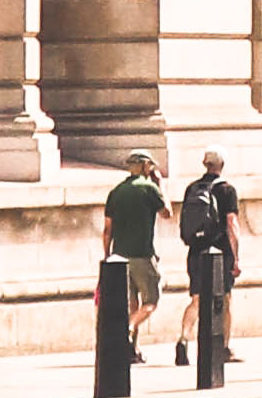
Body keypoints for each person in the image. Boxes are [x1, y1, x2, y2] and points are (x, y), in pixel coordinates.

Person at [176, 148, 242, 371]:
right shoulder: (227, 190)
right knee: (225, 299)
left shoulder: (192, 189)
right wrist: (236, 257)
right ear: (221, 166)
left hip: (195, 251)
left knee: (196, 298)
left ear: (205, 165)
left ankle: (183, 338)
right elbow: (232, 224)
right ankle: (223, 347)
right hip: (220, 251)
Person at [103, 152, 168, 340]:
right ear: (145, 165)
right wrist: (161, 185)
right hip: (142, 254)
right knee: (151, 302)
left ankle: (131, 348)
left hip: (119, 257)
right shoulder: (149, 188)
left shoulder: (116, 191)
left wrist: (107, 255)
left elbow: (107, 229)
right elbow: (167, 212)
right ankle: (129, 327)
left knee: (131, 302)